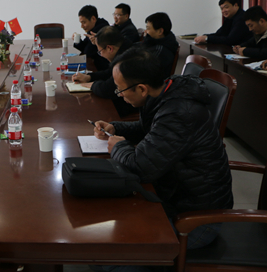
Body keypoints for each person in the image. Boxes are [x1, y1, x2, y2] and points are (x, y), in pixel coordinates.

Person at [90, 46, 233, 272]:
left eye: (120, 90)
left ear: (141, 89)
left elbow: (141, 167)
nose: (120, 94)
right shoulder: (166, 90)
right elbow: (152, 129)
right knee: (104, 232)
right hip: (173, 196)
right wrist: (116, 128)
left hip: (195, 220)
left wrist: (118, 147)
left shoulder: (180, 112)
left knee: (108, 258)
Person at [72, 26, 136, 115]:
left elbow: (108, 89)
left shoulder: (127, 61)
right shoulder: (125, 49)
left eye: (100, 51)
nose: (101, 55)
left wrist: (92, 85)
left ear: (110, 48)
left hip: (131, 107)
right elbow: (109, 72)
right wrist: (89, 77)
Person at [141, 12, 178, 78]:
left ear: (160, 31)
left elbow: (140, 69)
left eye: (148, 28)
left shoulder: (161, 52)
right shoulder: (153, 44)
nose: (145, 31)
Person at [73, 5, 110, 70]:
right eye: (81, 23)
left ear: (93, 19)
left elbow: (88, 52)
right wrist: (77, 41)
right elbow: (85, 46)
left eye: (84, 22)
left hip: (103, 68)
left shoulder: (101, 30)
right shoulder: (93, 27)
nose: (82, 26)